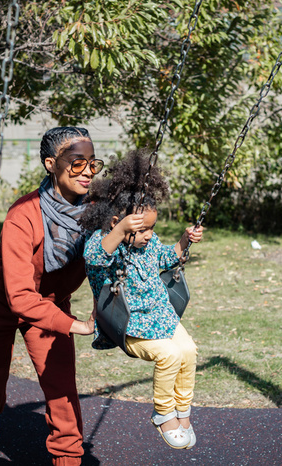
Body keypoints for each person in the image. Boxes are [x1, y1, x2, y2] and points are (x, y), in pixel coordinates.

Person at [0, 127, 102, 466]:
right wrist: (77, 326)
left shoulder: (97, 210)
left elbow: (118, 250)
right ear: (51, 164)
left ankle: (68, 458)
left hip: (51, 301)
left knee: (61, 388)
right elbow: (21, 297)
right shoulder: (23, 215)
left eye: (92, 164)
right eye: (76, 163)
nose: (86, 171)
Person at [78, 151, 203, 450]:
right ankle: (163, 414)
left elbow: (166, 258)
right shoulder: (102, 241)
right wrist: (122, 231)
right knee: (169, 356)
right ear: (116, 222)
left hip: (161, 316)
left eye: (151, 228)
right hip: (130, 324)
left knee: (188, 350)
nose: (148, 235)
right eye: (142, 229)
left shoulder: (150, 242)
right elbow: (93, 258)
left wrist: (184, 241)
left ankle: (182, 410)